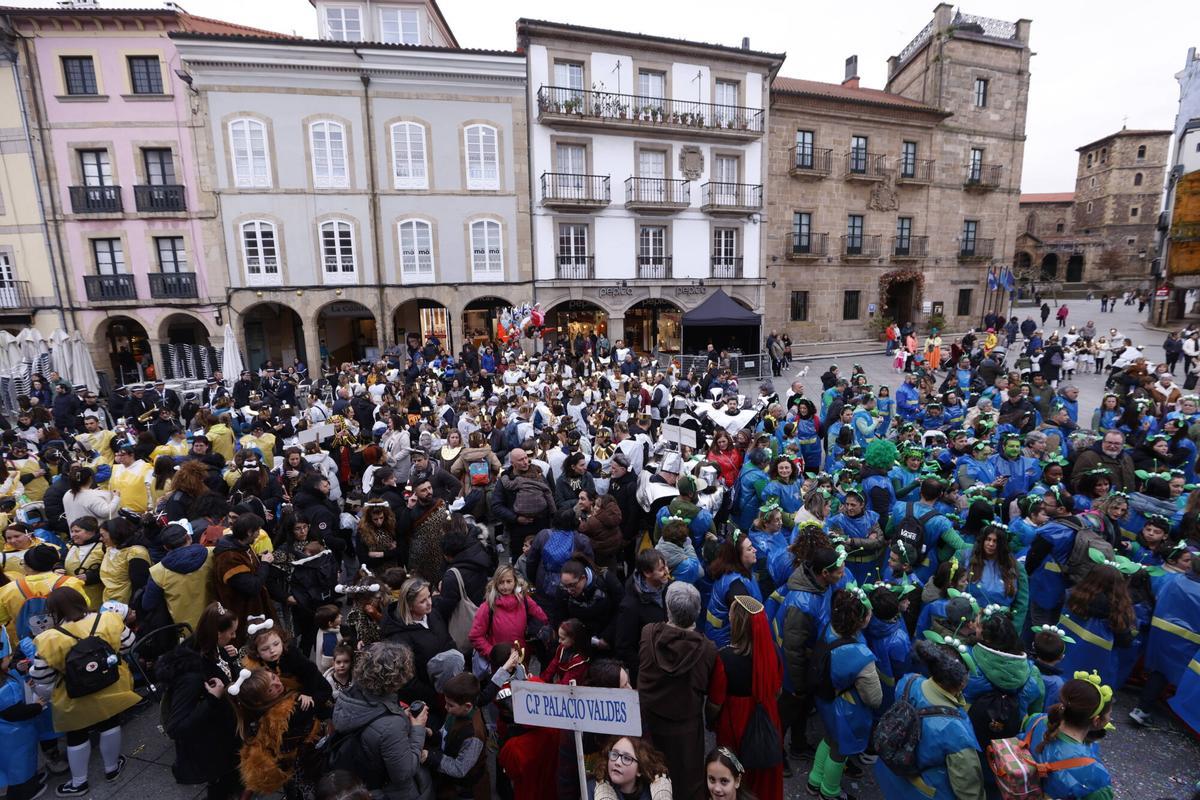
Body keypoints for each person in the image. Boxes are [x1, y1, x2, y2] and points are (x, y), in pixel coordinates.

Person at [31, 587, 139, 797]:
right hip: (112, 686)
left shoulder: (49, 638)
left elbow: (42, 677)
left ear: (54, 611)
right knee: (110, 723)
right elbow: (129, 645)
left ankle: (79, 782)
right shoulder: (108, 619)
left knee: (77, 735)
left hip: (74, 697)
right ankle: (112, 768)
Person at [873, 639, 984, 800]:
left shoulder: (909, 681)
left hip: (889, 775)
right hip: (921, 792)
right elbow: (969, 791)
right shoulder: (958, 731)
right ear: (962, 682)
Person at [637, 582, 718, 800]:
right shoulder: (707, 649)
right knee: (686, 784)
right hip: (686, 731)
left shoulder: (648, 634)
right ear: (698, 612)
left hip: (649, 724)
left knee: (649, 778)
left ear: (668, 609)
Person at [157, 602, 243, 799]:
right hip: (212, 746)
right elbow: (176, 727)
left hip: (225, 735)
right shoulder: (192, 676)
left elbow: (226, 676)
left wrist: (231, 660)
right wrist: (212, 699)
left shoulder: (212, 648)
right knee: (220, 788)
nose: (234, 637)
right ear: (217, 633)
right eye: (231, 632)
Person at [710, 595, 782, 800]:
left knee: (734, 772)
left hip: (735, 723)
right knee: (765, 775)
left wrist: (710, 719)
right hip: (767, 718)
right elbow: (778, 691)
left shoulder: (725, 658)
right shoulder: (774, 652)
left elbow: (716, 701)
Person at [1019, 675, 1114, 799]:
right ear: (1096, 721)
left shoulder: (1036, 719)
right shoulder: (1095, 778)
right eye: (1109, 714)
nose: (1110, 718)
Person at [210, 513, 276, 646]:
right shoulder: (229, 557)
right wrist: (265, 564)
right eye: (257, 530)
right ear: (249, 532)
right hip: (243, 614)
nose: (259, 534)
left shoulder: (241, 546)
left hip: (256, 610)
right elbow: (252, 587)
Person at [587, 735, 671, 800]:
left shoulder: (652, 792)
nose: (617, 762)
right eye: (614, 754)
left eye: (626, 758)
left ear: (640, 770)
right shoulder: (592, 789)